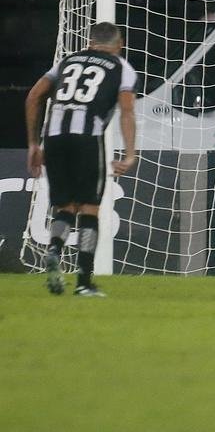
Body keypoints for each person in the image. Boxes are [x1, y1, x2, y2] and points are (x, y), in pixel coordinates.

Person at [24, 21, 138, 297]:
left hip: (54, 138)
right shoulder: (122, 67)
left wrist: (33, 144)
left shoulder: (67, 61)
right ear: (119, 45)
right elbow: (126, 110)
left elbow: (34, 96)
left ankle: (54, 249)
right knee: (89, 208)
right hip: (87, 138)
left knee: (65, 206)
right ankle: (84, 283)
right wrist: (129, 153)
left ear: (89, 43)